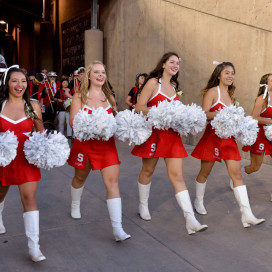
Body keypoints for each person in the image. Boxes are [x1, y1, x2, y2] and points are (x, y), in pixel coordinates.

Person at [132, 52, 207, 235]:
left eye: (177, 63)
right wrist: (159, 113)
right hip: (154, 134)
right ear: (163, 64)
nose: (175, 65)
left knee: (178, 177)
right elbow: (139, 107)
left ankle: (190, 219)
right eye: (171, 62)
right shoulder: (152, 83)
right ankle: (143, 205)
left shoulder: (174, 87)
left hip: (172, 137)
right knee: (148, 171)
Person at [191, 62, 265, 228]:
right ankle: (198, 200)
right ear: (219, 75)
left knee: (237, 175)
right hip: (212, 138)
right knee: (205, 172)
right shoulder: (212, 92)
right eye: (227, 73)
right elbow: (203, 114)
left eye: (232, 73)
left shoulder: (231, 95)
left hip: (229, 140)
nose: (230, 76)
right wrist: (221, 114)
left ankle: (247, 215)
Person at [67, 61, 130, 241]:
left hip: (106, 146)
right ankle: (75, 204)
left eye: (103, 72)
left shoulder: (109, 98)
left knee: (112, 183)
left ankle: (118, 229)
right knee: (80, 177)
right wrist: (92, 124)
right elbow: (73, 122)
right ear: (89, 76)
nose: (100, 75)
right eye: (96, 72)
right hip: (85, 144)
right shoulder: (80, 96)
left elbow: (116, 121)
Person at [0, 65, 46, 262]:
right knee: (1, 193)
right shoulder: (0, 105)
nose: (20, 85)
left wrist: (44, 148)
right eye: (15, 81)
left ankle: (34, 247)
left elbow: (40, 131)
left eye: (23, 81)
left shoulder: (32, 106)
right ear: (7, 84)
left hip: (26, 159)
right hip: (4, 158)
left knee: (29, 197)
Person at [241, 74, 272, 175]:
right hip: (260, 136)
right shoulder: (261, 99)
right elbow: (254, 117)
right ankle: (237, 175)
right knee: (255, 167)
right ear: (266, 84)